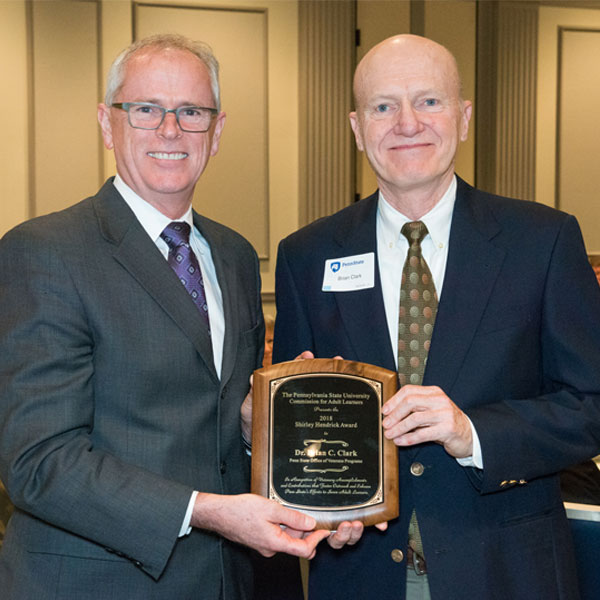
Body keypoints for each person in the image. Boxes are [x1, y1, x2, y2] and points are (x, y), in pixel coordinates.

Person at [0, 34, 328, 599]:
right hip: (96, 581)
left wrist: (255, 430)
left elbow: (215, 426)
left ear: (217, 131)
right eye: (146, 109)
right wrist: (207, 512)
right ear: (108, 124)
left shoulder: (235, 256)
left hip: (229, 581)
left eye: (191, 112)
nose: (170, 130)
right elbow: (39, 461)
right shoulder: (45, 251)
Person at [273, 34, 600, 600]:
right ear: (356, 128)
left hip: (506, 573)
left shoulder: (543, 241)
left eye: (429, 101)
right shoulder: (308, 255)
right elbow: (298, 434)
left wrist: (471, 432)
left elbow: (591, 405)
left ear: (464, 116)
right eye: (383, 106)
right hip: (361, 575)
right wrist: (322, 507)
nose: (406, 123)